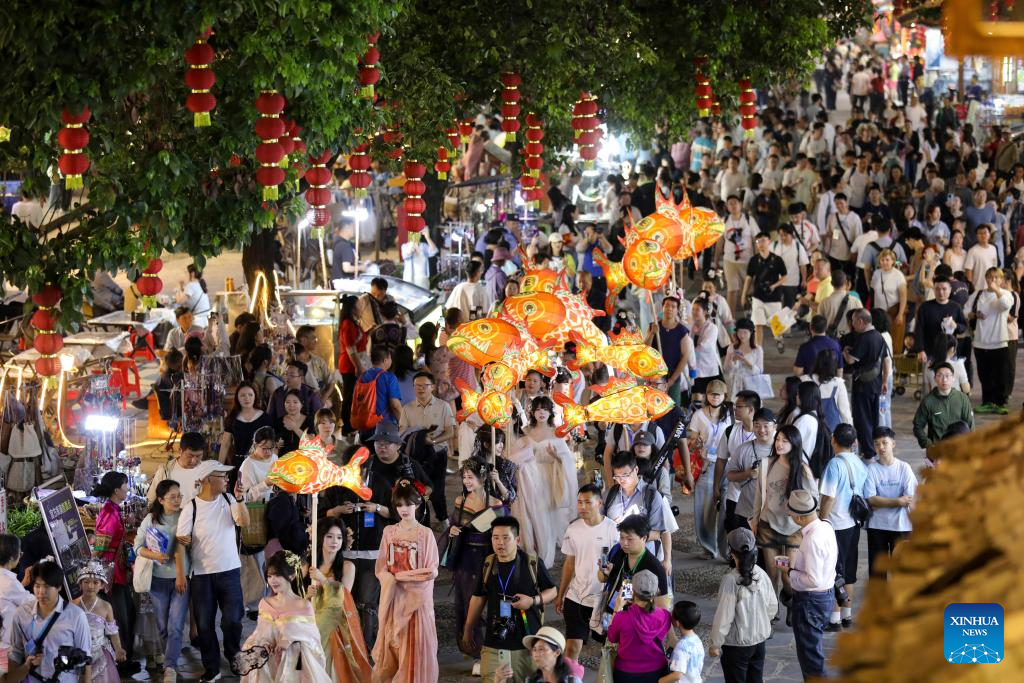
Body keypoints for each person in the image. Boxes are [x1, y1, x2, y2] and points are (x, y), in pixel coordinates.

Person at [320, 422, 431, 652]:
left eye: (360, 469)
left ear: (367, 466)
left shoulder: (380, 483)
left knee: (368, 602)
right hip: (344, 553)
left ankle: (369, 649)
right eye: (352, 469)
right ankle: (346, 648)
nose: (356, 474)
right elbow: (322, 514)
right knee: (344, 601)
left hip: (373, 553)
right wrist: (337, 511)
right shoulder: (337, 485)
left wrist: (377, 508)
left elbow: (397, 513)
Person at [176, 460, 250, 683]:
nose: (227, 479)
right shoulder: (191, 507)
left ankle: (234, 655)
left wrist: (240, 499)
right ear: (208, 479)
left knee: (233, 619)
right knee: (205, 624)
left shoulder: (229, 500)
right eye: (222, 476)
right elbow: (181, 542)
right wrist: (181, 573)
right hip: (202, 574)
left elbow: (244, 522)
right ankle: (212, 667)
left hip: (229, 570)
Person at [462, 516, 558, 682]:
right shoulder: (488, 564)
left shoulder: (532, 563)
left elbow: (553, 590)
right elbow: (478, 597)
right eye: (495, 538)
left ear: (517, 540)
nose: (500, 543)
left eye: (506, 538)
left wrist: (533, 601)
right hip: (495, 642)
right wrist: (468, 629)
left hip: (527, 643)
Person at [372, 480, 439, 683]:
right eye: (399, 505)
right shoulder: (389, 531)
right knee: (394, 644)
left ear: (417, 504)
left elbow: (431, 571)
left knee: (416, 644)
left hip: (416, 599)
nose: (404, 509)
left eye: (408, 504)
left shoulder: (426, 534)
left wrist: (400, 578)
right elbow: (381, 567)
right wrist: (390, 580)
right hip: (394, 596)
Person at [447, 458, 509, 676]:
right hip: (466, 559)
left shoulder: (495, 504)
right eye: (464, 477)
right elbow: (454, 524)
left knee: (491, 605)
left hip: (488, 558)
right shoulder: (460, 500)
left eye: (470, 477)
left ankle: (493, 650)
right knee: (467, 604)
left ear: (482, 478)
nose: (466, 481)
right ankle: (476, 654)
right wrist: (453, 531)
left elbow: (504, 532)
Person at [750, 425, 818, 606]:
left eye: (785, 441)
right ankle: (771, 613)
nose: (779, 444)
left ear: (794, 444)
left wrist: (810, 527)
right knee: (771, 573)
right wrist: (755, 521)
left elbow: (814, 500)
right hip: (768, 525)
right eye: (778, 439)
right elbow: (759, 496)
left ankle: (791, 604)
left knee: (788, 574)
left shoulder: (802, 469)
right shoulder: (767, 464)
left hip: (794, 529)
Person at [240, 551, 332, 683]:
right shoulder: (265, 603)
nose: (273, 580)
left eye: (278, 575)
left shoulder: (304, 605)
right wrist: (265, 643)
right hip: (269, 662)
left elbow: (313, 640)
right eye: (269, 576)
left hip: (294, 665)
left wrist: (289, 640)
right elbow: (260, 633)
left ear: (291, 575)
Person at [510, 396, 578, 567]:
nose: (541, 413)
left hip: (549, 481)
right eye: (538, 409)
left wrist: (556, 457)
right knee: (530, 516)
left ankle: (545, 558)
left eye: (545, 409)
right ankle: (531, 553)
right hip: (528, 481)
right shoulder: (526, 431)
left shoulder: (557, 433)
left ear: (550, 413)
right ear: (533, 412)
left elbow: (568, 460)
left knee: (545, 518)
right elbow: (515, 456)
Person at [556, 484, 620, 661]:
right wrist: (561, 594)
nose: (582, 507)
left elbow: (620, 566)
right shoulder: (573, 529)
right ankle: (571, 675)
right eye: (579, 502)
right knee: (572, 647)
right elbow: (569, 564)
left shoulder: (612, 529)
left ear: (599, 503)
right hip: (576, 596)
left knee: (609, 648)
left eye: (587, 502)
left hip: (603, 599)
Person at [134, 480, 189, 683]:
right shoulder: (151, 519)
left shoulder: (185, 515)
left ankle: (170, 667)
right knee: (162, 626)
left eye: (179, 496)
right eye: (172, 497)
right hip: (156, 580)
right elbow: (137, 546)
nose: (177, 500)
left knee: (175, 626)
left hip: (180, 579)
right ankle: (170, 660)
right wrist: (154, 555)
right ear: (160, 499)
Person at [708, 528, 778, 683]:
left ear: (731, 553)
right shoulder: (762, 574)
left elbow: (724, 616)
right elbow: (772, 607)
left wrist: (715, 643)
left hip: (736, 646)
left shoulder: (731, 580)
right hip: (759, 643)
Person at [6, 559, 91, 683]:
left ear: (59, 587)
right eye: (37, 586)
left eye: (47, 586)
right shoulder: (21, 614)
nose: (41, 592)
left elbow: (85, 660)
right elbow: (15, 654)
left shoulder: (76, 616)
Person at [308, 517, 372, 683]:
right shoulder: (309, 567)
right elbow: (300, 600)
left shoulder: (348, 567)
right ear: (320, 537)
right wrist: (307, 594)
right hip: (312, 622)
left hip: (335, 625)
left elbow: (343, 597)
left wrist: (323, 580)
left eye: (338, 537)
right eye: (329, 536)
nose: (334, 541)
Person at [818, 424, 867, 632]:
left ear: (833, 440)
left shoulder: (834, 465)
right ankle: (847, 616)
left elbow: (829, 497)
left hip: (835, 526)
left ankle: (835, 619)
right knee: (849, 571)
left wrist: (821, 520)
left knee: (834, 572)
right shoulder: (859, 462)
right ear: (854, 442)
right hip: (853, 524)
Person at [786, 489, 838, 681]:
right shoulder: (826, 526)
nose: (790, 517)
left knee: (811, 660)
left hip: (811, 601)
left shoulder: (811, 539)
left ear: (799, 518)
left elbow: (813, 579)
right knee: (812, 654)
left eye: (791, 514)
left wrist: (790, 573)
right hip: (825, 596)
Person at [90, 471, 137, 675]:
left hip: (117, 572)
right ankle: (121, 662)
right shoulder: (109, 513)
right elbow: (101, 548)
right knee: (120, 618)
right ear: (117, 490)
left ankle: (125, 658)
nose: (128, 489)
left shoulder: (114, 509)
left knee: (127, 614)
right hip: (112, 576)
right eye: (126, 485)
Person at [605, 452, 674, 577]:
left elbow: (661, 531)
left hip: (643, 559)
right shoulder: (612, 494)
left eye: (625, 475)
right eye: (617, 476)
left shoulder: (651, 495)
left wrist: (667, 560)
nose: (621, 480)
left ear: (636, 470)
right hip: (616, 558)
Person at [400, 371, 456, 524]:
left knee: (437, 490)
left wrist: (434, 441)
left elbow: (450, 432)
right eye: (417, 385)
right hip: (416, 456)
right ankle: (424, 521)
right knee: (419, 488)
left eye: (424, 385)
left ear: (433, 387)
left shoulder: (443, 406)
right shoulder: (407, 408)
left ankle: (443, 519)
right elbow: (402, 432)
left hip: (438, 454)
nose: (420, 388)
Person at [864, 427, 917, 579]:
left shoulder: (904, 468)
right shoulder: (871, 469)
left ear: (893, 444)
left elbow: (909, 498)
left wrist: (881, 502)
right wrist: (897, 501)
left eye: (884, 443)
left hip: (901, 526)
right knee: (877, 572)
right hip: (877, 526)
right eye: (877, 444)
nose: (881, 447)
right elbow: (871, 498)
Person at [689, 379, 733, 558]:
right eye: (711, 394)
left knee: (727, 507)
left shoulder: (730, 414)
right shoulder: (698, 415)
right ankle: (708, 547)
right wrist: (696, 442)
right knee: (704, 508)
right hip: (707, 464)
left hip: (727, 464)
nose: (715, 397)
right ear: (706, 395)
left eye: (718, 394)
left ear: (724, 396)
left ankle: (727, 550)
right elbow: (691, 441)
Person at [607, 569, 672, 683]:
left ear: (632, 592)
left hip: (626, 673)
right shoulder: (665, 616)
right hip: (656, 671)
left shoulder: (621, 617)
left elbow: (611, 638)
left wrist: (617, 607)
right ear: (656, 592)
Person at [843, 309, 892, 460]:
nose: (852, 324)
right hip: (876, 384)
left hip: (862, 386)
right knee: (874, 419)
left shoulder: (864, 338)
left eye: (853, 321)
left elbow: (851, 360)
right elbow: (886, 360)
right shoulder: (879, 336)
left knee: (862, 420)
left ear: (860, 321)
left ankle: (868, 452)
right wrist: (884, 381)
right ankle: (876, 448)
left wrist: (845, 351)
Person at [966, 267, 1014, 414]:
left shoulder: (1006, 294)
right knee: (984, 374)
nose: (992, 280)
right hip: (980, 341)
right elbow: (965, 310)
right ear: (985, 278)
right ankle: (987, 402)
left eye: (996, 277)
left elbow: (1004, 305)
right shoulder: (978, 294)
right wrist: (975, 315)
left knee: (1000, 374)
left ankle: (999, 403)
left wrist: (997, 290)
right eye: (989, 277)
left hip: (999, 341)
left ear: (1001, 280)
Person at [74, 559, 126, 683]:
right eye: (86, 582)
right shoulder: (73, 605)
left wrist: (118, 649)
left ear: (102, 585)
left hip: (101, 654)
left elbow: (112, 631)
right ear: (80, 584)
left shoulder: (106, 606)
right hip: (78, 653)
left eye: (95, 582)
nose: (90, 586)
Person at [913, 362, 975, 448]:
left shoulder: (962, 398)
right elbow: (917, 426)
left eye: (947, 376)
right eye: (940, 375)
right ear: (935, 378)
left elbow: (970, 425)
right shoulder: (928, 401)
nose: (944, 379)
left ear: (953, 378)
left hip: (960, 448)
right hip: (938, 449)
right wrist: (928, 444)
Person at [742, 232, 787, 346]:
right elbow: (748, 278)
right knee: (757, 324)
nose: (761, 244)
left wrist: (774, 286)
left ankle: (779, 339)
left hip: (774, 297)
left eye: (763, 241)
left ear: (769, 242)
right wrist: (743, 295)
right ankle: (759, 349)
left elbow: (784, 277)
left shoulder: (777, 259)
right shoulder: (753, 260)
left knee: (776, 326)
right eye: (758, 241)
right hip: (758, 296)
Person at [496, 626, 584, 683]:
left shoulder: (572, 681)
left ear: (557, 653)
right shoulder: (530, 680)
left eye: (541, 649)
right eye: (534, 649)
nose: (536, 654)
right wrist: (498, 679)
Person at [646, 296, 691, 405]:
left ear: (677, 310)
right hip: (655, 377)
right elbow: (645, 349)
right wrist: (652, 333)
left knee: (674, 408)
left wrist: (671, 380)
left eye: (673, 306)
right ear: (662, 308)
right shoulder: (653, 326)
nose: (669, 308)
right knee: (655, 407)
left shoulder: (682, 330)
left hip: (673, 377)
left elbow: (685, 356)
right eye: (667, 305)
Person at [912, 276, 968, 364]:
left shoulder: (956, 307)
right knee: (929, 373)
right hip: (929, 352)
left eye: (944, 289)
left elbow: (964, 327)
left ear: (950, 290)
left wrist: (956, 326)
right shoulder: (925, 307)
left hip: (950, 352)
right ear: (933, 290)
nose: (941, 292)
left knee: (948, 373)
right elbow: (919, 330)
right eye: (937, 289)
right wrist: (920, 350)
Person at [219, 382, 273, 473]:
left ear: (255, 396)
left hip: (260, 465)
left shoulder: (265, 418)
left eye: (250, 395)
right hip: (239, 464)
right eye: (243, 395)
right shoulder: (232, 418)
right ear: (237, 398)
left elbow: (272, 444)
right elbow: (225, 444)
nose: (247, 398)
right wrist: (219, 467)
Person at [356, 346, 403, 437]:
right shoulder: (389, 377)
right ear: (385, 360)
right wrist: (404, 424)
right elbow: (395, 405)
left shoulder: (362, 377)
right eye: (390, 358)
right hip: (384, 429)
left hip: (364, 427)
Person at [148, 431, 206, 503]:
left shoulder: (207, 472)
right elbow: (151, 499)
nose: (194, 461)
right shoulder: (165, 471)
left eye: (198, 456)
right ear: (180, 451)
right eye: (190, 456)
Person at [870, 249, 908, 351]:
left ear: (893, 261)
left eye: (887, 260)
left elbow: (903, 296)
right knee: (878, 339)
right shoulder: (876, 273)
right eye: (882, 260)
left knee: (894, 340)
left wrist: (900, 314)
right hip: (879, 313)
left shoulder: (898, 275)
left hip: (893, 312)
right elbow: (874, 291)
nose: (885, 262)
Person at [0, 534, 33, 652]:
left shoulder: (7, 581)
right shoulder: (9, 582)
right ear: (11, 558)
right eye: (19, 553)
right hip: (7, 644)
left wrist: (22, 584)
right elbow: (32, 602)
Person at [660, 601, 703, 683]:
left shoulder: (681, 646)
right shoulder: (697, 640)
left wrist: (659, 681)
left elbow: (677, 675)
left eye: (672, 613)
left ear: (677, 622)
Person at [816, 270, 862, 338]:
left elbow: (819, 325)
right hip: (851, 339)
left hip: (831, 340)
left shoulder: (824, 303)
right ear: (845, 282)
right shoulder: (856, 301)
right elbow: (861, 322)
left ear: (831, 283)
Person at [964, 224, 999, 292]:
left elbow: (995, 268)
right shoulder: (972, 250)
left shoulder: (993, 248)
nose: (983, 235)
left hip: (991, 287)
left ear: (989, 234)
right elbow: (968, 270)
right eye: (980, 233)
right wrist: (971, 288)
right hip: (977, 288)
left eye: (985, 233)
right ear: (976, 236)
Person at [176, 263, 211, 328]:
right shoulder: (200, 283)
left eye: (186, 273)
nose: (185, 275)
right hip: (206, 319)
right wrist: (182, 287)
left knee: (176, 322)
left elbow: (179, 301)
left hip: (198, 321)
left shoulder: (191, 285)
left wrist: (178, 288)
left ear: (192, 274)